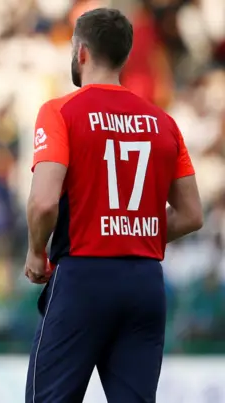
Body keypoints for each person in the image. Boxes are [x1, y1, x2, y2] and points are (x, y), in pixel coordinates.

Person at [24, 8, 203, 403]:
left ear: (82, 53)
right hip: (145, 282)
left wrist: (37, 253)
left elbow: (43, 203)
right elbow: (192, 214)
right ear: (123, 56)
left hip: (83, 277)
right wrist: (131, 231)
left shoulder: (60, 112)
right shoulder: (162, 122)